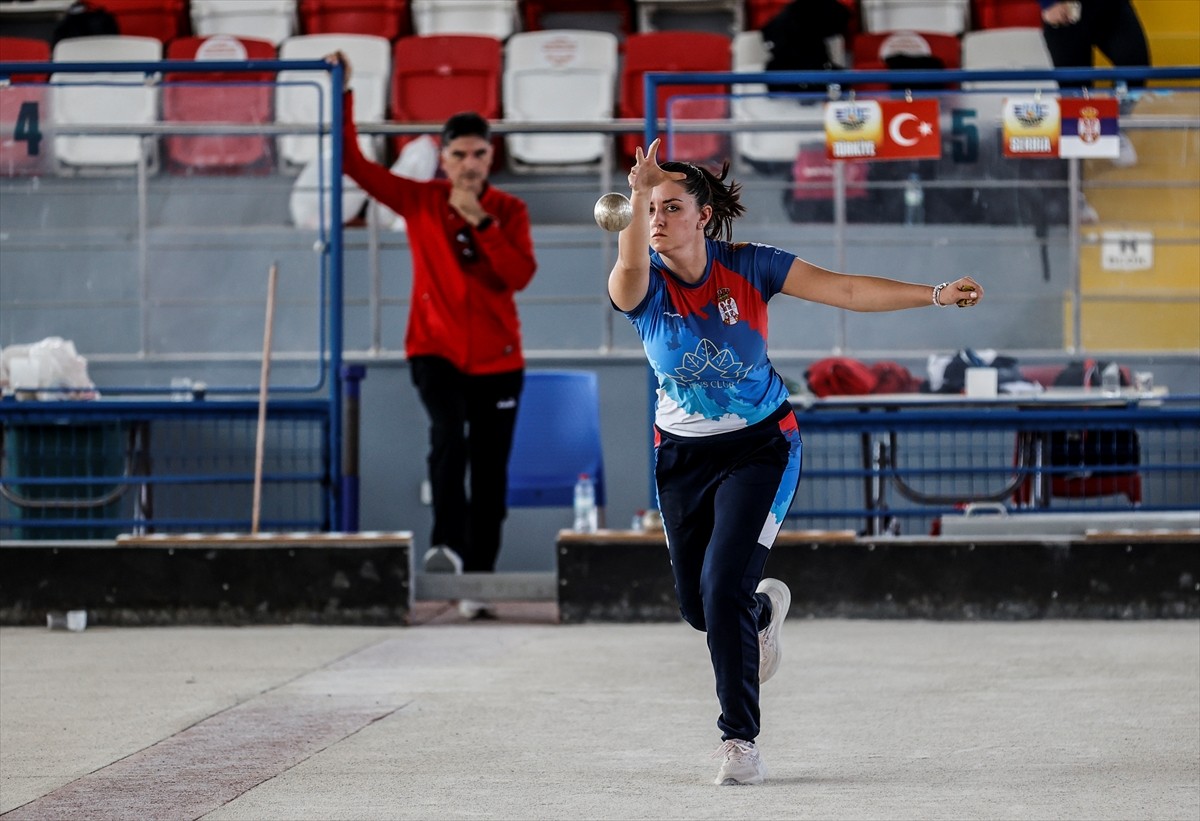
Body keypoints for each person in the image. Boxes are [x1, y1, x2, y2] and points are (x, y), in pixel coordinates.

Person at [608, 140, 983, 786]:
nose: (657, 218)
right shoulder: (640, 286)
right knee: (702, 608)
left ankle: (739, 740)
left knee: (720, 585)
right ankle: (760, 615)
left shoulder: (751, 267)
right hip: (681, 456)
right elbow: (629, 263)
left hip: (761, 445)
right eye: (649, 209)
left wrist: (936, 293)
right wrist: (640, 194)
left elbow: (845, 288)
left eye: (671, 207)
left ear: (703, 217)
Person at [328, 52, 538, 620]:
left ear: (491, 157)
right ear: (442, 158)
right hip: (435, 351)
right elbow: (352, 163)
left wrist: (481, 222)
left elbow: (518, 275)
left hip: (498, 361)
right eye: (459, 153)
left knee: (490, 474)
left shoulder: (508, 210)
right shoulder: (419, 201)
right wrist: (345, 91)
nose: (469, 162)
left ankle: (480, 582)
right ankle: (447, 546)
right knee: (449, 437)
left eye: (479, 153)